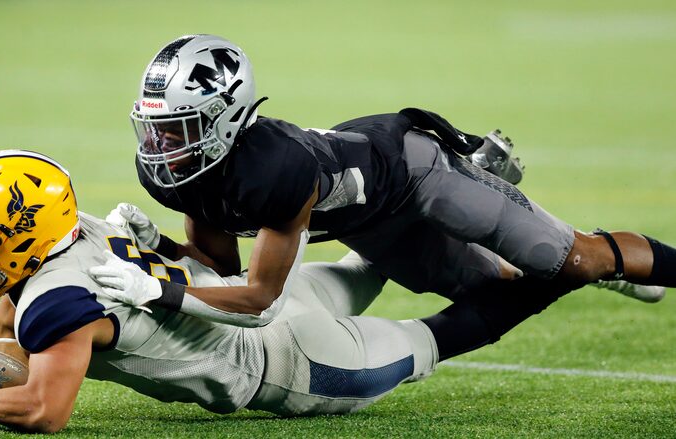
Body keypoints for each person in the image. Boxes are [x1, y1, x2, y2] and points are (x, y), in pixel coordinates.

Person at [0, 150, 580, 432]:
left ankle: (578, 271)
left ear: (24, 230)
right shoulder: (74, 231)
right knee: (383, 250)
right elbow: (12, 310)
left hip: (294, 365)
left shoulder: (62, 304)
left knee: (449, 331)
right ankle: (490, 192)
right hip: (255, 294)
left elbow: (44, 410)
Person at [103, 33, 670, 328]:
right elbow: (222, 270)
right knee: (497, 291)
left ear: (227, 118)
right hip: (367, 221)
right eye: (155, 129)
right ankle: (589, 264)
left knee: (570, 258)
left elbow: (260, 301)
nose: (161, 146)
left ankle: (602, 259)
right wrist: (161, 248)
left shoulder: (273, 170)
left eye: (178, 130)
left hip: (411, 170)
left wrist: (161, 291)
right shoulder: (179, 174)